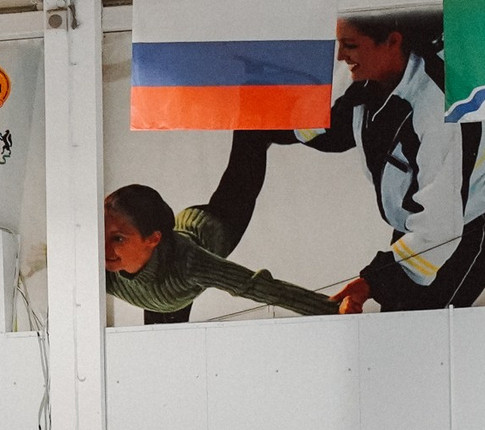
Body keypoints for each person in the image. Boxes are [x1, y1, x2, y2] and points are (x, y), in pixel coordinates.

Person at [298, 12, 485, 313]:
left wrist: (370, 283)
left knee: (419, 321)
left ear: (392, 41)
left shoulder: (435, 108)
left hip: (480, 213)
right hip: (426, 208)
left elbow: (440, 229)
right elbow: (335, 129)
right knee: (397, 313)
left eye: (349, 45)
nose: (341, 56)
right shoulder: (367, 72)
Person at [100, 131, 335, 322]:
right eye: (102, 233)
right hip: (166, 284)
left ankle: (257, 127)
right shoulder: (101, 268)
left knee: (250, 144)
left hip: (215, 225)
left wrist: (334, 310)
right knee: (162, 338)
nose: (104, 249)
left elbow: (255, 286)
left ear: (152, 239)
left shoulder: (191, 265)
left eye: (118, 239)